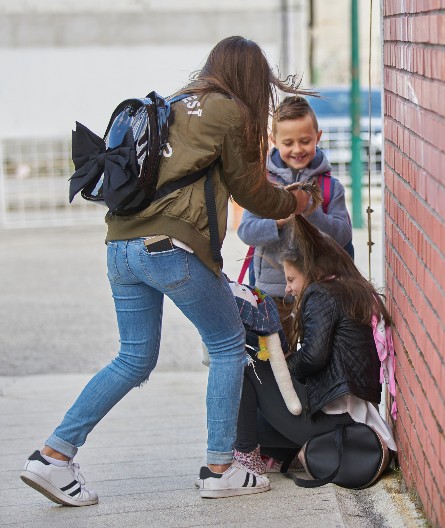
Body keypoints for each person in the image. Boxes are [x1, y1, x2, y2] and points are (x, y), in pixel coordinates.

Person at [19, 36, 313, 505]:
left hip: (121, 246)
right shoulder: (228, 111)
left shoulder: (172, 105)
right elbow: (253, 193)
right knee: (227, 346)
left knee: (133, 358)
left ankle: (53, 456)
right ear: (252, 80)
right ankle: (221, 468)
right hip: (170, 249)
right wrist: (297, 199)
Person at [231, 215, 395, 477]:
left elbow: (313, 357)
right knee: (252, 423)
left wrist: (279, 369)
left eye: (292, 279)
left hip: (334, 419)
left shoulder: (321, 293)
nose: (287, 289)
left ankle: (246, 459)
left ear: (311, 271)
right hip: (347, 415)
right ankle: (269, 452)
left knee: (245, 364)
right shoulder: (344, 289)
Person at [237, 95, 353, 344]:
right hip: (275, 293)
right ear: (274, 141)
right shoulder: (262, 186)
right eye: (288, 142)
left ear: (318, 137)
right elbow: (246, 231)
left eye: (305, 141)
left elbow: (343, 235)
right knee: (280, 361)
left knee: (320, 358)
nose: (298, 149)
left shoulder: (330, 187)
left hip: (322, 291)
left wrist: (312, 213)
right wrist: (279, 219)